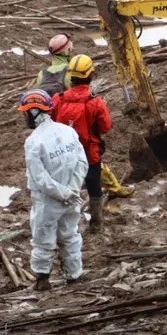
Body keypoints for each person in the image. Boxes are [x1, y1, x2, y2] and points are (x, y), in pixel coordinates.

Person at [20, 88, 87, 292]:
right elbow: (82, 163)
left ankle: (42, 280)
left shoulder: (33, 142)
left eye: (25, 113)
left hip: (48, 201)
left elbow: (40, 178)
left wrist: (63, 193)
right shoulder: (68, 132)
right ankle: (74, 276)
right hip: (71, 197)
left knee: (43, 240)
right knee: (70, 235)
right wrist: (72, 190)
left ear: (32, 112)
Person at [52, 55, 112, 233]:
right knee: (93, 185)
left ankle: (67, 224)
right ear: (90, 75)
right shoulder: (95, 102)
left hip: (63, 154)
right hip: (89, 152)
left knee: (67, 186)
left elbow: (52, 122)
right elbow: (105, 127)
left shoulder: (58, 99)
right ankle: (96, 223)